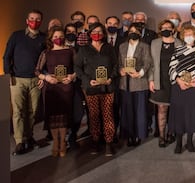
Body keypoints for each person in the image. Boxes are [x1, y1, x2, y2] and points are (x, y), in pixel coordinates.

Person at [3, 9, 47, 155]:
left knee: (33, 111)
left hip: (36, 80)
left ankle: (29, 136)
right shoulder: (16, 36)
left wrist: (44, 77)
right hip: (17, 79)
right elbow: (6, 56)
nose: (35, 21)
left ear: (41, 21)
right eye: (32, 18)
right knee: (18, 111)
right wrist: (8, 74)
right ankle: (19, 141)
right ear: (27, 20)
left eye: (38, 19)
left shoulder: (44, 38)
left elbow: (46, 61)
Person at [74, 22, 118, 156]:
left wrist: (110, 78)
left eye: (100, 32)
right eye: (94, 32)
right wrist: (87, 81)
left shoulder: (109, 48)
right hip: (91, 88)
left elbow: (116, 65)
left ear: (104, 34)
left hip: (107, 88)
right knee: (93, 116)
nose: (97, 34)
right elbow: (77, 67)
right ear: (89, 34)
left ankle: (109, 143)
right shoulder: (84, 49)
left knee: (108, 115)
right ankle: (95, 141)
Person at [35, 27, 76, 157]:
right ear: (51, 38)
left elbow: (78, 68)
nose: (59, 38)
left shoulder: (71, 51)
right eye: (56, 36)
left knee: (64, 116)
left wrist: (71, 77)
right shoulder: (46, 53)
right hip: (51, 88)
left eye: (61, 36)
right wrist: (46, 77)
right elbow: (37, 71)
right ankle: (55, 142)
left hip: (65, 86)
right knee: (52, 117)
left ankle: (63, 142)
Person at [168, 26, 195, 154]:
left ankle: (189, 141)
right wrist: (178, 81)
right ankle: (178, 142)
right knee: (179, 114)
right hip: (179, 87)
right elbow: (171, 68)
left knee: (191, 114)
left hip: (194, 88)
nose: (189, 36)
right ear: (183, 36)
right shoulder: (177, 50)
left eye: (192, 34)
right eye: (186, 34)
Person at [149, 20, 183, 147]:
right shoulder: (154, 43)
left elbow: (182, 63)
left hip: (175, 81)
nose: (166, 29)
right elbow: (151, 64)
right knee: (162, 109)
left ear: (173, 30)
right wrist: (151, 80)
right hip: (160, 81)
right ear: (160, 29)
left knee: (174, 109)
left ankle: (171, 132)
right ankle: (162, 136)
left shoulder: (179, 42)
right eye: (163, 27)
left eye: (169, 27)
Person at [118, 23, 153, 147]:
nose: (133, 33)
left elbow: (148, 62)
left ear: (140, 33)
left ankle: (138, 134)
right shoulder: (122, 46)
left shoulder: (144, 46)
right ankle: (128, 135)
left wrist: (140, 73)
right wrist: (121, 70)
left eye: (136, 31)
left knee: (139, 111)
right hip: (125, 83)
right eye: (131, 30)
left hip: (139, 82)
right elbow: (119, 63)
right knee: (127, 111)